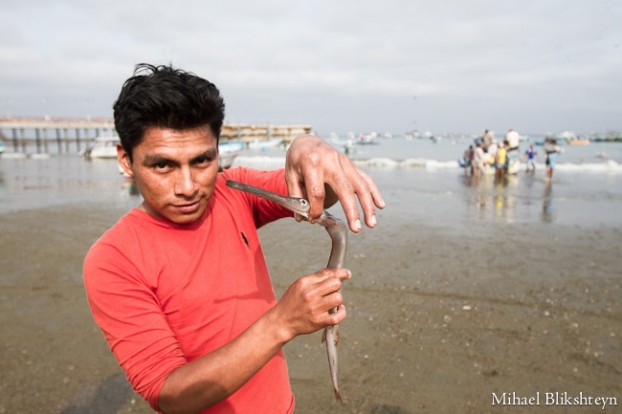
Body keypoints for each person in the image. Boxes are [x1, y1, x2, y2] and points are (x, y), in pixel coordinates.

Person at [83, 63, 385, 414]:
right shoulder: (113, 259)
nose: (188, 187)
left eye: (202, 160)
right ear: (126, 160)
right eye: (163, 166)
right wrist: (281, 322)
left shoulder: (232, 190)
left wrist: (309, 147)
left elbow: (315, 194)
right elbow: (168, 393)